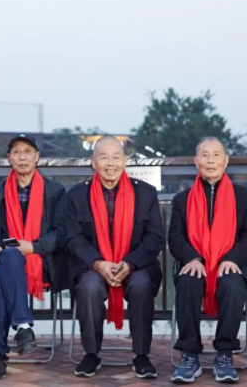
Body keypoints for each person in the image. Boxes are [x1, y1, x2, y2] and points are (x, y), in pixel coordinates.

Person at [66, 135, 165, 379]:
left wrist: (129, 264)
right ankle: (91, 354)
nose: (110, 163)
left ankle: (141, 355)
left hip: (135, 265)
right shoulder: (77, 196)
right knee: (89, 286)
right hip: (93, 266)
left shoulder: (146, 194)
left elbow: (155, 238)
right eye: (104, 157)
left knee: (141, 285)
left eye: (116, 157)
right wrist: (98, 264)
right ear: (93, 161)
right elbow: (73, 238)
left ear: (124, 160)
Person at [0, 134, 68, 380]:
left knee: (0, 277)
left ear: (37, 157)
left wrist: (34, 247)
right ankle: (24, 327)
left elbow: (63, 232)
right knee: (9, 258)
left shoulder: (55, 192)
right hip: (4, 259)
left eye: (28, 152)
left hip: (42, 262)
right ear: (9, 158)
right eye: (16, 152)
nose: (22, 157)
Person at [168, 137, 247, 384]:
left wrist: (231, 259)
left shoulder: (245, 197)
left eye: (216, 155)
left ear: (226, 161)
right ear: (196, 161)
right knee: (188, 281)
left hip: (230, 264)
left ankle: (225, 354)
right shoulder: (182, 200)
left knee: (232, 283)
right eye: (205, 155)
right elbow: (175, 238)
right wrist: (193, 258)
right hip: (195, 264)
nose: (210, 160)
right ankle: (189, 355)